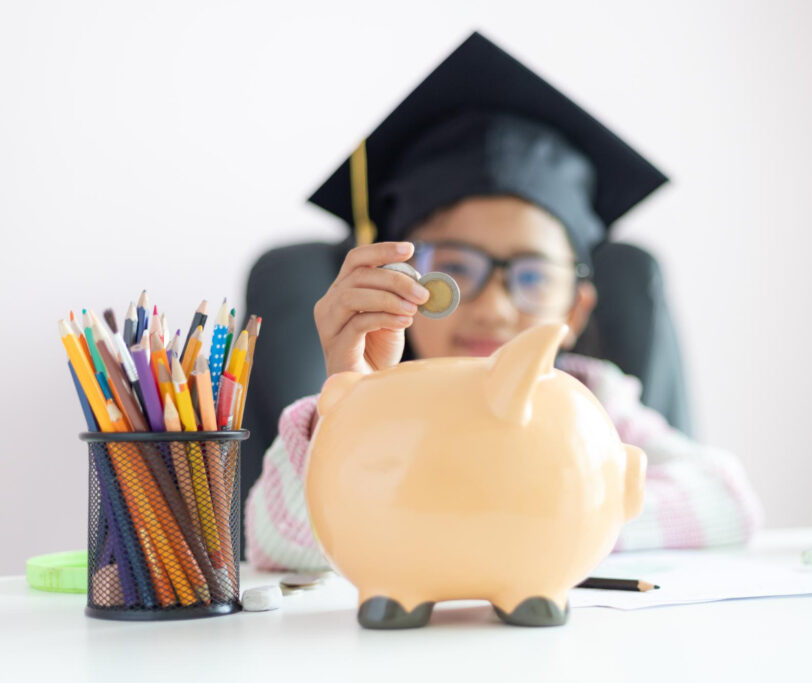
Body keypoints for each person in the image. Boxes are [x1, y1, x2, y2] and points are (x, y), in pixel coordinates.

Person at [245, 32, 762, 571]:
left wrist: (530, 517)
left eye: (532, 276)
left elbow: (726, 502)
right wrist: (347, 398)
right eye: (458, 268)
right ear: (405, 279)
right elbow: (276, 544)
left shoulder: (593, 396)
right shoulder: (378, 404)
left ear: (575, 309)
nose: (492, 307)